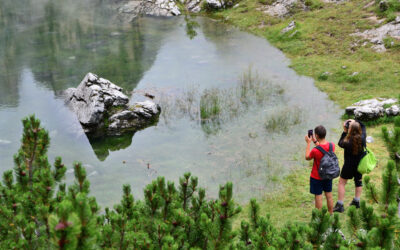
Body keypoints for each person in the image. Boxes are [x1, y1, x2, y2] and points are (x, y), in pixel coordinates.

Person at [333, 119, 366, 213]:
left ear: (349, 130)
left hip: (348, 166)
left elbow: (339, 143)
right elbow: (363, 126)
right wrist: (356, 121)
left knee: (342, 183)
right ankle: (356, 201)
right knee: (358, 182)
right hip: (359, 165)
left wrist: (344, 131)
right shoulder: (363, 138)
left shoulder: (347, 142)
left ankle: (340, 205)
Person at [305, 125, 334, 214]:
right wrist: (315, 141)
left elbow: (307, 157)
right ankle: (331, 214)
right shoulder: (331, 145)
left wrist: (309, 143)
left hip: (317, 177)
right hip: (328, 175)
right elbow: (322, 149)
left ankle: (319, 218)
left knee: (318, 196)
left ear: (316, 135)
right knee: (328, 195)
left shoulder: (315, 151)